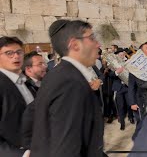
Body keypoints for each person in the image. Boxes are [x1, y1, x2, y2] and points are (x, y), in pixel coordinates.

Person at [30, 19, 107, 157]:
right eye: (92, 38)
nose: (98, 44)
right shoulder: (70, 83)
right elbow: (66, 150)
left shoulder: (60, 74)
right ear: (75, 45)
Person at [0, 36, 34, 157]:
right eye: (9, 53)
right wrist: (20, 154)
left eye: (19, 52)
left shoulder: (26, 82)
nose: (16, 56)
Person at [21, 51, 48, 150]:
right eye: (40, 64)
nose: (45, 66)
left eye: (44, 63)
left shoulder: (45, 82)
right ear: (28, 69)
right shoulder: (24, 87)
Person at [128, 42, 147, 140]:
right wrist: (132, 102)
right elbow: (131, 87)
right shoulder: (134, 68)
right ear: (141, 52)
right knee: (143, 121)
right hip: (143, 100)